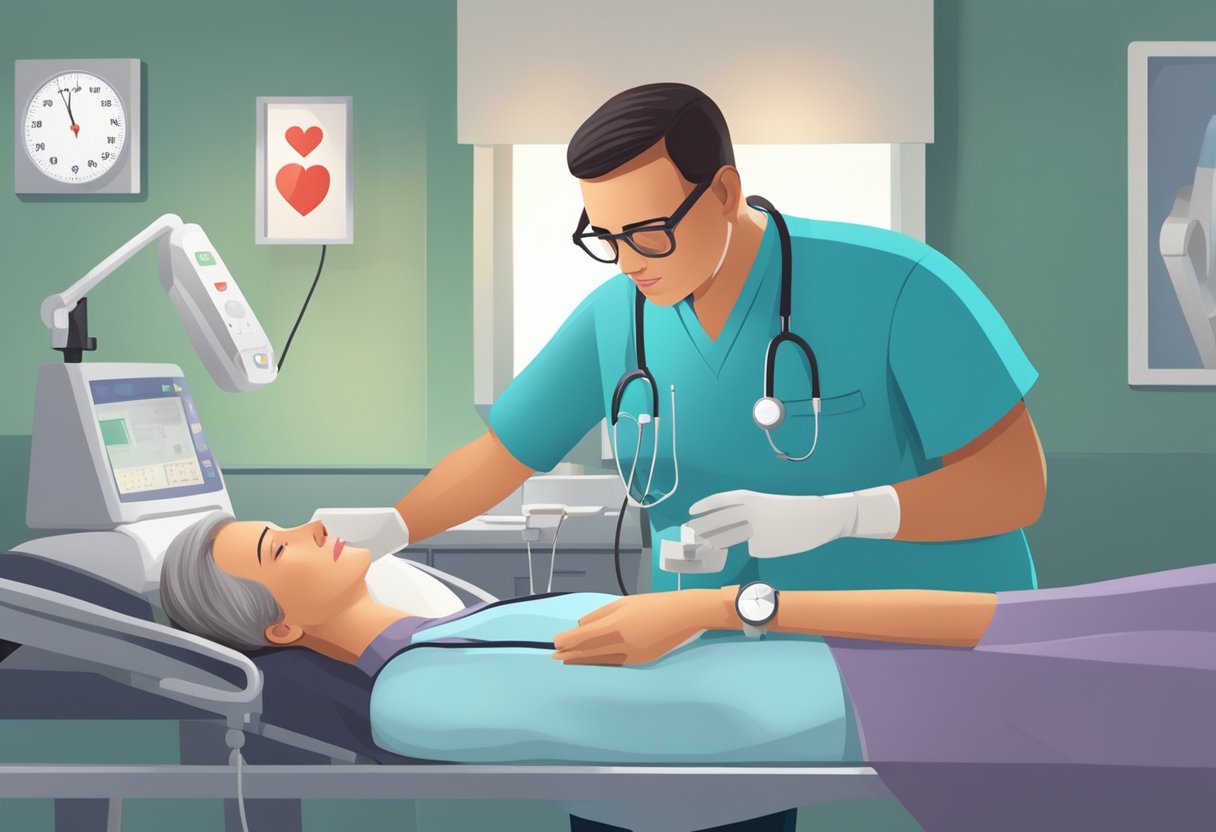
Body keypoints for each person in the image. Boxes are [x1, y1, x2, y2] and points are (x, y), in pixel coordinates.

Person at [314, 81, 1048, 830]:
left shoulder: (898, 284)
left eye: (648, 231)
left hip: (894, 646)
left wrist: (840, 516)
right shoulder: (620, 315)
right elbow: (506, 452)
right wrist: (396, 526)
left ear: (723, 192)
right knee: (626, 783)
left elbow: (1015, 485)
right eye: (604, 236)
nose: (628, 261)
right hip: (704, 642)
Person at [160, 513, 1216, 832]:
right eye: (278, 547)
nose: (312, 526)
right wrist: (722, 615)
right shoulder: (418, 691)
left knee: (1140, 614)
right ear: (281, 623)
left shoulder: (447, 623)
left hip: (850, 649)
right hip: (864, 694)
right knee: (1160, 686)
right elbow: (690, 724)